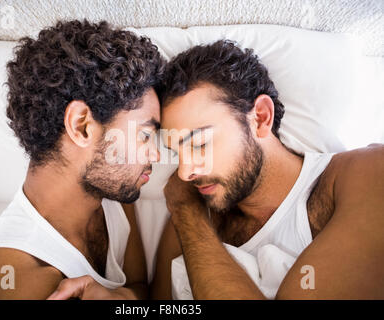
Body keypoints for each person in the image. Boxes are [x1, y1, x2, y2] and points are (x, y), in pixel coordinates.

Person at [0, 19, 166, 299]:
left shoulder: (110, 189)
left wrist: (120, 299)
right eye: (145, 135)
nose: (156, 154)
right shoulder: (18, 282)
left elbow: (138, 289)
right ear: (81, 125)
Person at [149, 40, 384, 299]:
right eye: (176, 152)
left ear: (261, 117)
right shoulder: (191, 212)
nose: (184, 173)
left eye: (200, 143)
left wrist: (186, 212)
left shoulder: (366, 173)